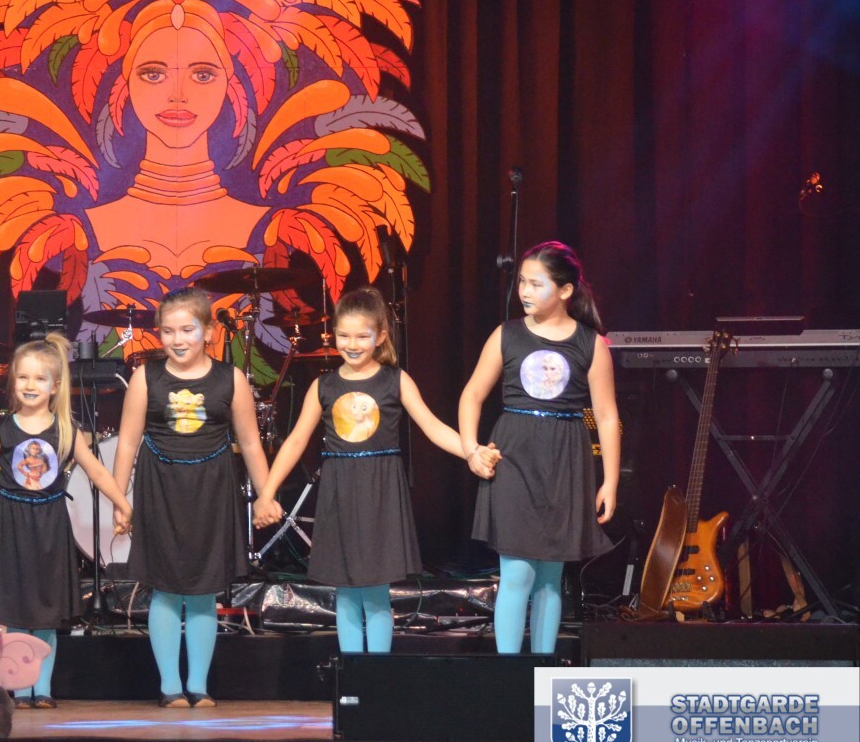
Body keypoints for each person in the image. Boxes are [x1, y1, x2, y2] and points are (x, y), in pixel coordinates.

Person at [255, 288, 499, 652]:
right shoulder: (324, 386)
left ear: (381, 336)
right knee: (346, 590)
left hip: (381, 491)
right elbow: (295, 441)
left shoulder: (395, 380)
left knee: (375, 591)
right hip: (340, 491)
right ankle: (353, 668)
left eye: (362, 336)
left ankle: (376, 669)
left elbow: (432, 427)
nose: (352, 345)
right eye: (344, 336)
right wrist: (267, 492)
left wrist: (472, 450)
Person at [0, 332, 132, 707]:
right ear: (13, 382)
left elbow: (97, 472)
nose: (30, 385)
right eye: (23, 377)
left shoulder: (65, 431)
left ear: (54, 386)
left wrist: (122, 504)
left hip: (49, 527)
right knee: (14, 612)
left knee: (45, 612)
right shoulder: (3, 429)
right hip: (12, 526)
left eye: (39, 379)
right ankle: (19, 686)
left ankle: (41, 689)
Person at [112, 287, 270, 707]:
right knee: (165, 588)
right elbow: (127, 442)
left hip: (211, 490)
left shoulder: (230, 379)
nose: (177, 339)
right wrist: (119, 499)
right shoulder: (145, 378)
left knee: (203, 589)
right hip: (160, 489)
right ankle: (169, 687)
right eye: (168, 331)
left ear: (209, 331)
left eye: (187, 330)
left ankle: (198, 685)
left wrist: (266, 494)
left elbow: (250, 443)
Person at [460, 241, 620, 654]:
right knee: (516, 573)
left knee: (550, 576)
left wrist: (610, 481)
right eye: (522, 282)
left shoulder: (590, 344)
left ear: (565, 290)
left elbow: (606, 416)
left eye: (536, 284)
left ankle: (542, 669)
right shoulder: (507, 335)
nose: (525, 292)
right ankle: (510, 673)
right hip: (514, 457)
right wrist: (471, 449)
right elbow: (472, 395)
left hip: (565, 460)